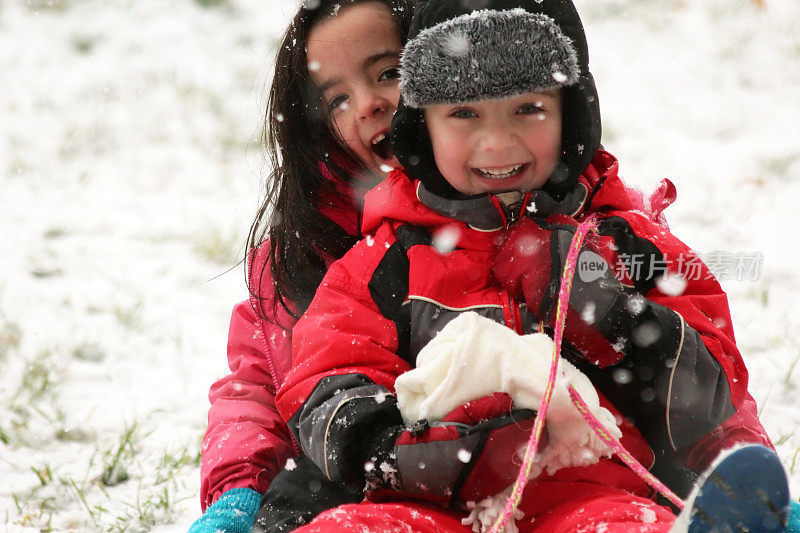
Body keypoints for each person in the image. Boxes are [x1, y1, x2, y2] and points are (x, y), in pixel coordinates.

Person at [272, 0, 791, 531]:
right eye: (463, 113)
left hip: (591, 491)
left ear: (571, 113)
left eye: (527, 109)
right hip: (429, 501)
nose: (497, 141)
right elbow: (328, 373)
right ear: (421, 126)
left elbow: (711, 394)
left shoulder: (626, 244)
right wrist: (406, 453)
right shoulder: (390, 258)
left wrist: (606, 312)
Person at [188, 1, 413, 531]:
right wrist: (239, 489)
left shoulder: (501, 211)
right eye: (337, 99)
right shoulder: (300, 257)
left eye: (389, 72)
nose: (367, 104)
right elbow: (255, 389)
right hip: (342, 485)